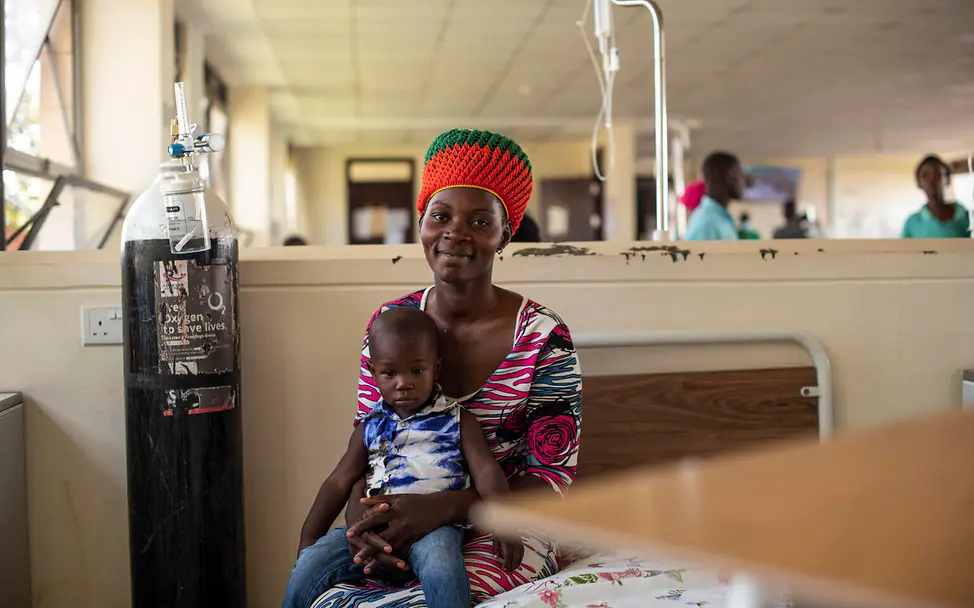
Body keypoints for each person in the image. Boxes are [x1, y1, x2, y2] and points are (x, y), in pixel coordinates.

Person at [301, 128, 583, 608]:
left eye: (480, 220)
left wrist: (446, 507)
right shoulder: (388, 327)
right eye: (441, 215)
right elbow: (367, 446)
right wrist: (364, 526)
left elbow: (552, 478)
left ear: (505, 234)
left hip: (507, 524)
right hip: (397, 514)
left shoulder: (542, 335)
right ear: (422, 223)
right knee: (324, 592)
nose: (456, 232)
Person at [282, 307, 522, 608]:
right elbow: (338, 482)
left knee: (443, 569)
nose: (403, 382)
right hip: (371, 528)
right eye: (390, 373)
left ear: (437, 368)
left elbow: (487, 472)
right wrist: (310, 539)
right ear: (374, 374)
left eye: (417, 371)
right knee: (309, 565)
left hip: (433, 529)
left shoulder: (458, 420)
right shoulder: (369, 427)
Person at [901, 155, 971, 239]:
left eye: (937, 174)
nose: (931, 180)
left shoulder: (966, 217)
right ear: (919, 183)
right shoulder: (912, 223)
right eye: (925, 176)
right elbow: (905, 251)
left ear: (947, 180)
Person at [684, 151, 745, 241]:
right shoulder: (707, 222)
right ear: (728, 176)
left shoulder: (719, 218)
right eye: (740, 175)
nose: (743, 182)